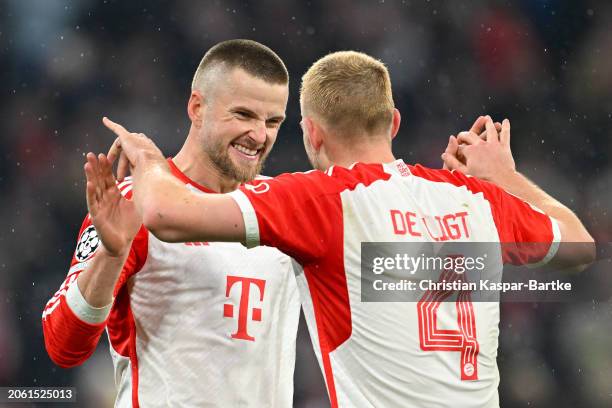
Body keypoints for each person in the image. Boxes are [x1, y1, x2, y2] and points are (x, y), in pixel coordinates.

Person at [101, 51, 595, 408]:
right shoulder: (476, 198)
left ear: (311, 132)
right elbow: (579, 245)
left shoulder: (322, 200)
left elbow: (165, 214)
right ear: (394, 123)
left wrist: (148, 160)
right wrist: (504, 177)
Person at [42, 39, 301, 407]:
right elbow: (62, 346)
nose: (260, 136)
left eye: (272, 121)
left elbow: (387, 276)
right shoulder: (134, 202)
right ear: (197, 107)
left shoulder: (289, 206)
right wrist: (112, 256)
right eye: (243, 115)